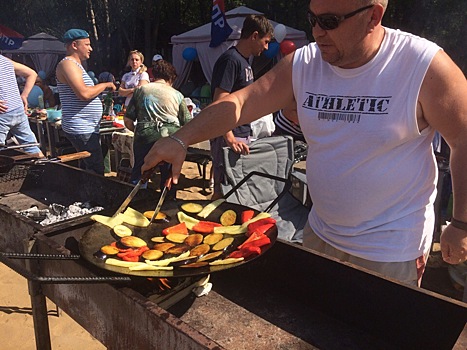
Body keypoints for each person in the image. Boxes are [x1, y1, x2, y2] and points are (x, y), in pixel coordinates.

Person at [142, 0, 467, 286]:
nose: (317, 32)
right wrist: (181, 138)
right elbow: (240, 103)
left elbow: (464, 139)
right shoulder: (305, 64)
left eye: (329, 22)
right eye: (312, 19)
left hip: (391, 250)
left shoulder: (422, 66)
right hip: (321, 234)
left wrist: (461, 222)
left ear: (373, 16)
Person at [209, 14, 274, 199]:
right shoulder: (231, 59)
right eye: (266, 41)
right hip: (230, 137)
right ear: (254, 36)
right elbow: (220, 101)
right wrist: (229, 138)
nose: (266, 47)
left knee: (236, 190)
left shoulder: (245, 62)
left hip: (242, 133)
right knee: (223, 192)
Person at [55, 28, 116, 175]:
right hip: (81, 128)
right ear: (75, 45)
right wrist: (105, 85)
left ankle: (85, 196)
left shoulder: (76, 65)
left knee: (88, 168)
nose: (91, 48)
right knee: (96, 171)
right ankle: (93, 198)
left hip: (86, 127)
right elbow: (84, 94)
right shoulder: (68, 64)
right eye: (87, 44)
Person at [124, 59, 192, 191]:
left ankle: (135, 201)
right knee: (168, 175)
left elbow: (128, 120)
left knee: (139, 171)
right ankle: (167, 202)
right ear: (171, 77)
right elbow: (188, 122)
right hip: (170, 136)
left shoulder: (141, 90)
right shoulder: (177, 95)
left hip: (144, 134)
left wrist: (138, 131)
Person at [0, 55, 44, 157]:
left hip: (3, 112)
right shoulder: (5, 60)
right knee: (31, 146)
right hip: (18, 109)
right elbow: (32, 74)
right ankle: (44, 169)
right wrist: (24, 95)